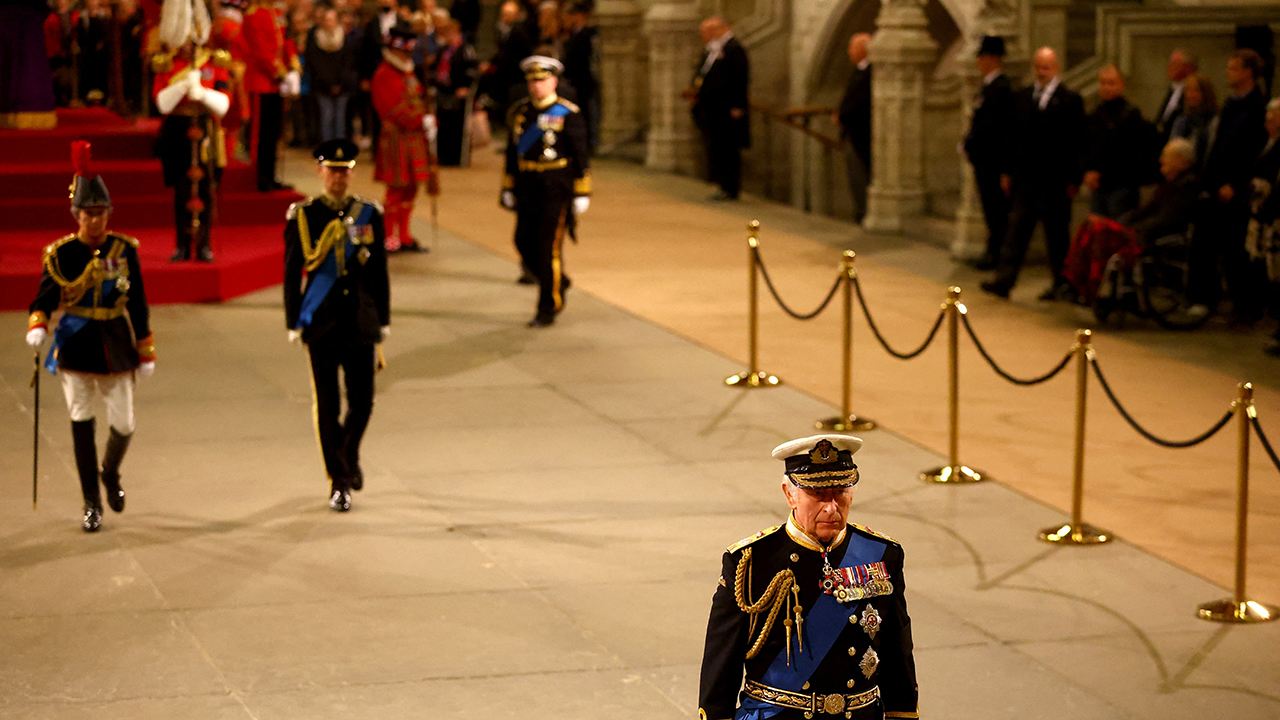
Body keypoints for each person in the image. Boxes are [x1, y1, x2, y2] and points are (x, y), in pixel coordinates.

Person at [699, 434, 919, 720]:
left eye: (840, 491)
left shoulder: (881, 553)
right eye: (818, 494)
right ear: (789, 494)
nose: (831, 507)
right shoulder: (752, 561)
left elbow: (896, 649)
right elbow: (722, 662)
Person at [26, 141, 155, 533]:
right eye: (88, 214)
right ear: (76, 215)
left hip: (115, 343)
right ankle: (91, 502)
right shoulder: (61, 254)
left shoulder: (124, 249)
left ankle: (110, 471)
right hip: (76, 346)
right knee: (81, 420)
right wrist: (38, 324)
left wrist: (145, 346)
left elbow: (139, 301)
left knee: (125, 424)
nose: (95, 221)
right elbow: (45, 296)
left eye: (101, 214)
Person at [283, 139, 390, 513]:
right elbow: (291, 272)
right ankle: (339, 480)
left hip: (361, 322)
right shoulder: (303, 215)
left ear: (352, 173)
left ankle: (348, 452)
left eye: (344, 171)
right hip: (322, 324)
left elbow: (379, 272)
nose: (338, 178)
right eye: (332, 170)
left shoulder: (369, 214)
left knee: (363, 403)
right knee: (327, 405)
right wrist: (294, 319)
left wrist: (385, 319)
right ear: (320, 172)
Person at [980, 46, 1086, 301]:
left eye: (1047, 67)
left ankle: (1061, 284)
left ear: (1056, 68)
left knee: (1057, 237)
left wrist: (1074, 179)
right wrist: (1007, 171)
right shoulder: (1023, 97)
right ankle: (1004, 281)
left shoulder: (1070, 100)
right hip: (1026, 180)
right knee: (1016, 233)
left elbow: (1077, 142)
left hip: (1055, 182)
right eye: (1038, 67)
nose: (1042, 72)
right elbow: (1012, 137)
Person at [500, 55, 591, 328]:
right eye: (532, 80)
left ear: (553, 81)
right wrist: (507, 186)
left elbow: (581, 154)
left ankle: (548, 307)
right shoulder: (520, 111)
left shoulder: (567, 113)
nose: (536, 86)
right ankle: (558, 280)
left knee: (548, 248)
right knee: (522, 241)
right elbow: (511, 152)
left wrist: (582, 191)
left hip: (556, 185)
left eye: (541, 80)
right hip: (527, 183)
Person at [1064, 138, 1200, 307]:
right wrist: (1123, 222)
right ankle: (1079, 283)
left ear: (1182, 161)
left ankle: (1094, 287)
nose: (1161, 160)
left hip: (1156, 234)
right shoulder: (1168, 184)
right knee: (1091, 226)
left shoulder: (1187, 185)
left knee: (1102, 233)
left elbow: (1168, 218)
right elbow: (1146, 210)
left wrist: (1133, 229)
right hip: (1146, 229)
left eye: (1166, 156)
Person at [1189, 48, 1270, 322]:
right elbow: (1219, 148)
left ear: (1248, 72)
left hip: (1235, 189)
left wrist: (1235, 183)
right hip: (1215, 185)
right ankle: (1203, 298)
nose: (1228, 72)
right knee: (1203, 244)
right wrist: (1210, 181)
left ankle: (1245, 307)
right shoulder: (1231, 104)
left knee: (1235, 251)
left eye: (1234, 68)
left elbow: (1251, 152)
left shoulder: (1258, 107)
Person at [153, 0, 233, 262]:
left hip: (206, 128)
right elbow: (161, 102)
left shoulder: (214, 61)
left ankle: (204, 245)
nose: (187, 44)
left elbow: (223, 104)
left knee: (206, 190)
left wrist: (203, 94)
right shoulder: (167, 64)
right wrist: (180, 88)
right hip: (177, 129)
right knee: (181, 190)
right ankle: (182, 245)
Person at [371, 20, 439, 252]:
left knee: (411, 188)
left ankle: (405, 235)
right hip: (396, 138)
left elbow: (418, 100)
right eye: (402, 49)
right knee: (396, 188)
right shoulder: (385, 74)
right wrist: (421, 120)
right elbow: (392, 109)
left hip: (414, 137)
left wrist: (430, 120)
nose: (405, 53)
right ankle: (389, 236)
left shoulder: (407, 72)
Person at [962, 35, 1014, 270]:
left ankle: (998, 254)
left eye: (982, 57)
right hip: (984, 160)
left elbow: (1001, 132)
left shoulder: (1001, 89)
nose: (979, 62)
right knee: (990, 210)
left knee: (997, 212)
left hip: (993, 162)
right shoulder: (989, 87)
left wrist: (1005, 168)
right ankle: (992, 251)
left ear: (992, 59)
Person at [1082, 65, 1155, 220]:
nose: (1106, 87)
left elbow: (1129, 154)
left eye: (1111, 83)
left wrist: (1101, 173)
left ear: (1121, 85)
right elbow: (1087, 145)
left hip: (1121, 186)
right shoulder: (1096, 114)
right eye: (1103, 83)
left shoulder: (1131, 115)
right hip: (1098, 187)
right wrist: (1088, 171)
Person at [691, 15, 749, 202]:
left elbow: (740, 78)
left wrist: (738, 105)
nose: (706, 35)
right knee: (716, 147)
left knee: (728, 149)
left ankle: (730, 187)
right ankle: (720, 183)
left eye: (709, 30)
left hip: (726, 109)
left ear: (722, 28)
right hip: (711, 108)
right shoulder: (712, 49)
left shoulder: (734, 49)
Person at [243, 0, 291, 191]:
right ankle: (260, 177)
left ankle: (271, 175)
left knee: (274, 133)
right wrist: (276, 70)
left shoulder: (277, 12)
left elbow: (285, 41)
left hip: (276, 82)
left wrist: (291, 63)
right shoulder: (253, 14)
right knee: (261, 133)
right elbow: (258, 48)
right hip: (262, 81)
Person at [430, 18, 478, 166]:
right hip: (444, 92)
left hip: (459, 93)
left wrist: (466, 87)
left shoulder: (465, 49)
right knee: (443, 126)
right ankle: (443, 157)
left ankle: (455, 158)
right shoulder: (443, 50)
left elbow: (472, 70)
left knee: (456, 127)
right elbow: (435, 69)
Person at [306, 6, 357, 144]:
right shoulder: (315, 38)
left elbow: (348, 62)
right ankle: (327, 149)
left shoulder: (344, 39)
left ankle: (338, 150)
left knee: (340, 119)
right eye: (326, 20)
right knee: (326, 118)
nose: (329, 23)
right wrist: (329, 83)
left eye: (331, 20)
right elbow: (315, 63)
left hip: (342, 86)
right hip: (322, 86)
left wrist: (339, 83)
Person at [837, 32, 873, 224]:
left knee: (861, 175)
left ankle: (864, 213)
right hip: (851, 131)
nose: (848, 51)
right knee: (855, 177)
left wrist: (843, 116)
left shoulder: (870, 73)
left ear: (862, 49)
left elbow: (861, 102)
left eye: (852, 47)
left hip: (861, 133)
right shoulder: (859, 71)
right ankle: (860, 211)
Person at [560, 1, 599, 154]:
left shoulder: (587, 34)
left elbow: (580, 59)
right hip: (575, 81)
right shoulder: (575, 34)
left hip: (583, 81)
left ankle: (587, 145)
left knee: (585, 114)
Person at [1168, 72, 1217, 166]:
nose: (1191, 95)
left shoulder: (1214, 120)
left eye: (1195, 90)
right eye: (1188, 91)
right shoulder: (1182, 121)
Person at [1155, 49, 1197, 145]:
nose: (1169, 67)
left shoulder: (1190, 92)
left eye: (1174, 64)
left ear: (1188, 68)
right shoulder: (1172, 89)